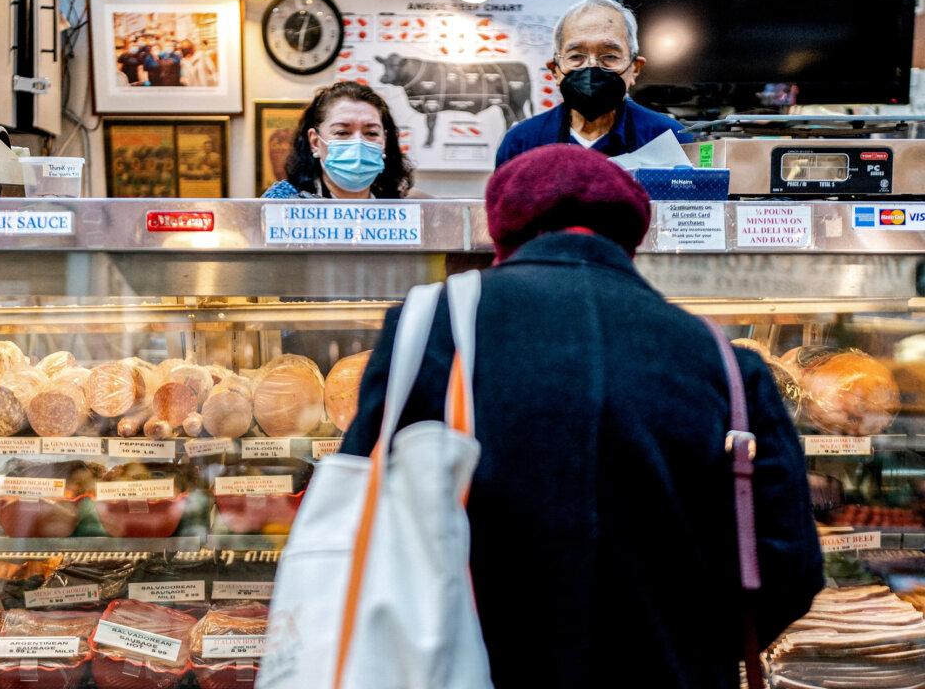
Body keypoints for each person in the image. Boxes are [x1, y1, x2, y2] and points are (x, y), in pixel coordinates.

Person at [340, 144, 823, 689]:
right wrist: (688, 641)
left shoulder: (428, 329)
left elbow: (360, 516)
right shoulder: (724, 360)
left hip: (467, 669)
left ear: (502, 232)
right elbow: (789, 571)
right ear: (633, 238)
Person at [496, 0, 692, 166]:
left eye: (610, 56)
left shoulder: (670, 138)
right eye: (575, 57)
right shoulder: (521, 143)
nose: (591, 67)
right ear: (555, 70)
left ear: (634, 68)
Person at [262, 81, 415, 199]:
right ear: (315, 142)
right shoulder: (282, 204)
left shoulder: (409, 209)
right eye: (342, 132)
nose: (358, 143)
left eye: (371, 133)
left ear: (385, 141)